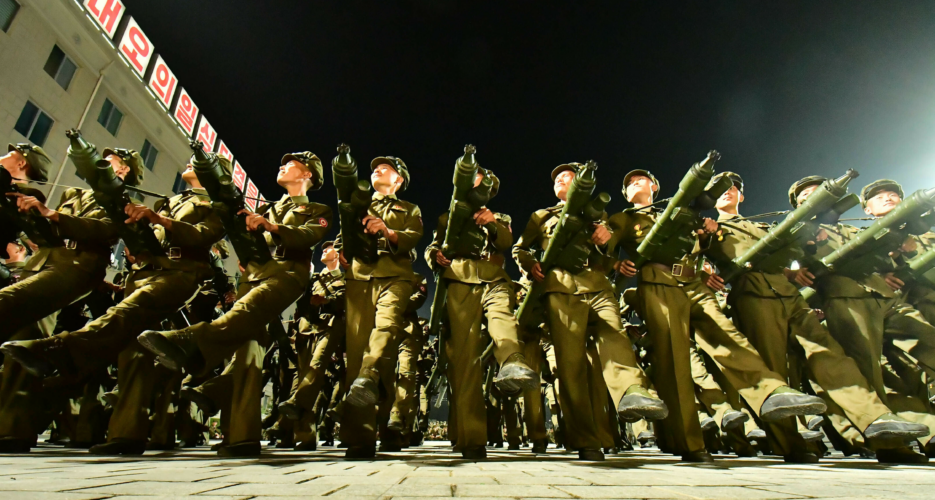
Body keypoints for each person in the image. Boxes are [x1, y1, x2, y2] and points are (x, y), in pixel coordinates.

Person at [2, 156, 225, 455]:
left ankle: (62, 358)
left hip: (179, 274)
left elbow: (202, 234)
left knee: (121, 329)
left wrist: (158, 221)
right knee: (130, 351)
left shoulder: (217, 204)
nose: (190, 161)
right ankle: (126, 432)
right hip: (143, 272)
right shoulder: (168, 202)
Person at [704, 171, 929, 462]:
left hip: (789, 294)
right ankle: (789, 443)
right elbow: (698, 261)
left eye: (734, 187)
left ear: (742, 195)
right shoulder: (706, 227)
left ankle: (877, 422)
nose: (727, 191)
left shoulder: (763, 225)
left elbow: (783, 258)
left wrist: (797, 265)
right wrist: (704, 253)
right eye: (720, 188)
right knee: (775, 372)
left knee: (830, 354)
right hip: (753, 296)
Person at [611, 168, 827, 462]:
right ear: (625, 194)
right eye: (630, 183)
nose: (636, 183)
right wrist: (613, 265)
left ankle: (771, 392)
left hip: (695, 282)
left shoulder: (680, 213)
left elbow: (707, 251)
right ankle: (690, 443)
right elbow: (602, 249)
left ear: (655, 186)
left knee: (728, 336)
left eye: (641, 179)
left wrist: (708, 238)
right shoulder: (624, 219)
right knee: (675, 362)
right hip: (658, 282)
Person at [138, 151, 332, 457]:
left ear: (307, 174)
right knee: (248, 351)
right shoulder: (268, 207)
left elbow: (307, 236)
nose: (281, 165)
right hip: (253, 274)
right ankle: (241, 436)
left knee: (245, 312)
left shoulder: (318, 209)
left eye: (290, 163)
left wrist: (272, 228)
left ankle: (191, 342)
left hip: (286, 274)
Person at [513, 163, 667, 462]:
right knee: (570, 366)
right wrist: (530, 265)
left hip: (597, 285)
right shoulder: (540, 216)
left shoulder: (598, 213)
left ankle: (632, 391)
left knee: (616, 339)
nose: (561, 178)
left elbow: (605, 251)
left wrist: (607, 247)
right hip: (560, 288)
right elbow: (520, 248)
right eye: (557, 177)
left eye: (567, 176)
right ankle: (586, 439)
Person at [426, 167, 538, 459]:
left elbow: (505, 243)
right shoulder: (446, 217)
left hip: (493, 276)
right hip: (459, 279)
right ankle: (471, 437)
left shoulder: (500, 219)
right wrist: (434, 256)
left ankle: (512, 360)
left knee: (503, 318)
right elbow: (433, 246)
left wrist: (491, 224)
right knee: (465, 361)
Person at [336, 155, 423, 459]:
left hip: (395, 275)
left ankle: (376, 398)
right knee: (359, 349)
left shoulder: (409, 208)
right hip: (359, 276)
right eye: (374, 168)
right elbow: (342, 236)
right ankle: (361, 436)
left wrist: (387, 231)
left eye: (385, 168)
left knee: (385, 331)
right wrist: (341, 253)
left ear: (399, 180)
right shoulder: (360, 203)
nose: (377, 170)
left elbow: (413, 236)